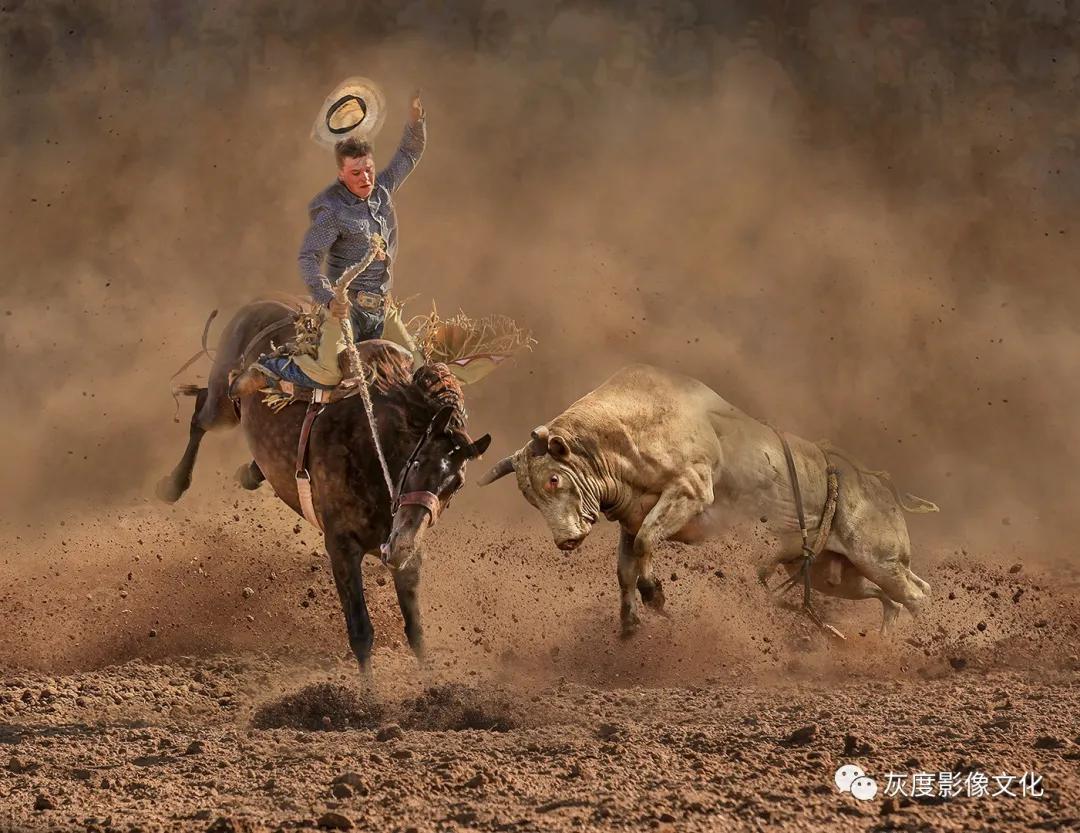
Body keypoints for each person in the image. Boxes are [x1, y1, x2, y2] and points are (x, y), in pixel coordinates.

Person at [298, 91, 426, 350]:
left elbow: (409, 153)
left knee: (418, 369)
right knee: (329, 372)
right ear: (341, 174)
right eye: (356, 173)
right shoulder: (333, 210)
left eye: (368, 170)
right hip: (348, 311)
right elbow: (308, 258)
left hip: (383, 310)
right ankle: (272, 371)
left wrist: (416, 118)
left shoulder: (383, 189)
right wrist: (328, 299)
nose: (365, 178)